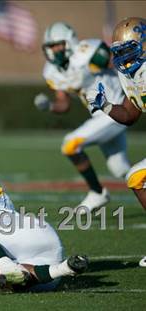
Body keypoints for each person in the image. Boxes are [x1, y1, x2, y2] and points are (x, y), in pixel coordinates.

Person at [34, 22, 131, 211]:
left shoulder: (87, 52)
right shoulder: (52, 71)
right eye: (50, 47)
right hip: (101, 116)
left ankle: (97, 192)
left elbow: (121, 65)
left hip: (117, 108)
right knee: (120, 168)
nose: (53, 51)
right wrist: (50, 106)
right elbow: (64, 104)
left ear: (69, 42)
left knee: (70, 144)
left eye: (57, 45)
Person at [86, 17, 145, 268]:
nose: (124, 59)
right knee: (135, 177)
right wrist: (106, 105)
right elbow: (131, 114)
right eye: (119, 53)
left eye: (129, 51)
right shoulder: (131, 76)